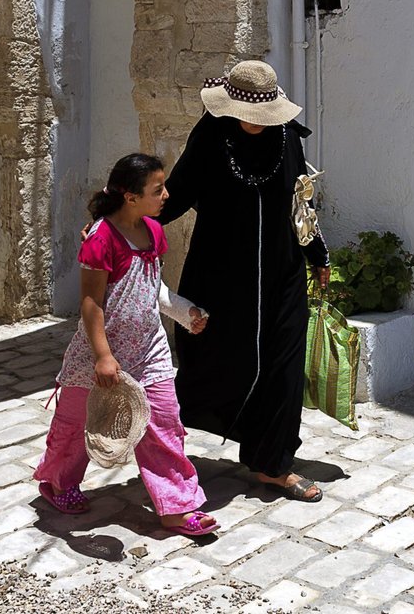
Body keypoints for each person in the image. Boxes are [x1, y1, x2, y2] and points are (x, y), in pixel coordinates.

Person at [160, 60, 331, 502]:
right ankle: (162, 442)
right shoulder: (211, 136)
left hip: (283, 273)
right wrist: (118, 224)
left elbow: (301, 204)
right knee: (215, 360)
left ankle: (273, 465)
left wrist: (317, 254)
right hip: (221, 275)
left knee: (283, 369)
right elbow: (173, 197)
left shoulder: (288, 136)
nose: (256, 121)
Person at [33, 153, 219, 536]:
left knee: (164, 424)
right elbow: (91, 303)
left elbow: (153, 289)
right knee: (74, 425)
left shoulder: (153, 231)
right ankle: (58, 482)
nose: (166, 194)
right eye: (157, 189)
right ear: (130, 197)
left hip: (148, 351)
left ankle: (177, 506)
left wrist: (186, 313)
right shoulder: (101, 239)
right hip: (98, 356)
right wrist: (103, 356)